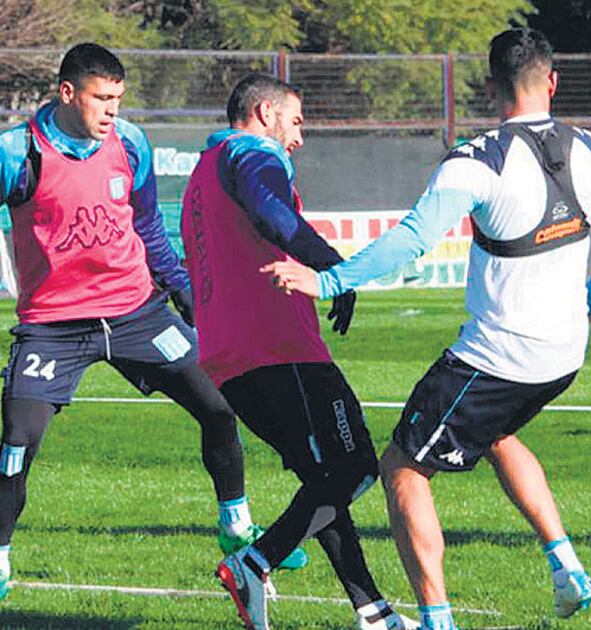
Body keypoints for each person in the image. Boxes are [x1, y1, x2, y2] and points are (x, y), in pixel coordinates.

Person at [264, 28, 591, 630]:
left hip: (498, 357)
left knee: (402, 468)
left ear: (491, 88)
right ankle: (568, 569)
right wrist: (587, 308)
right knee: (496, 434)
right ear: (552, 81)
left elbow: (413, 239)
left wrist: (328, 281)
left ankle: (437, 621)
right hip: (564, 357)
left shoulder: (476, 159)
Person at [0, 43, 309, 603]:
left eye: (118, 98)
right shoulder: (16, 151)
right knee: (18, 444)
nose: (112, 110)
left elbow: (147, 230)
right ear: (67, 93)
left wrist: (189, 296)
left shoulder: (131, 143)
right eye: (101, 98)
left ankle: (236, 526)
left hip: (136, 313)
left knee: (220, 405)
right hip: (53, 325)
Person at [181, 73, 417, 630]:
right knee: (356, 467)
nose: (299, 138)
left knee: (323, 481)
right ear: (265, 114)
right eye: (296, 121)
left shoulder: (202, 170)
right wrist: (335, 269)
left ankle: (373, 612)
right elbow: (273, 213)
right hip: (278, 347)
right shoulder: (253, 154)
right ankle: (254, 562)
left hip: (228, 356)